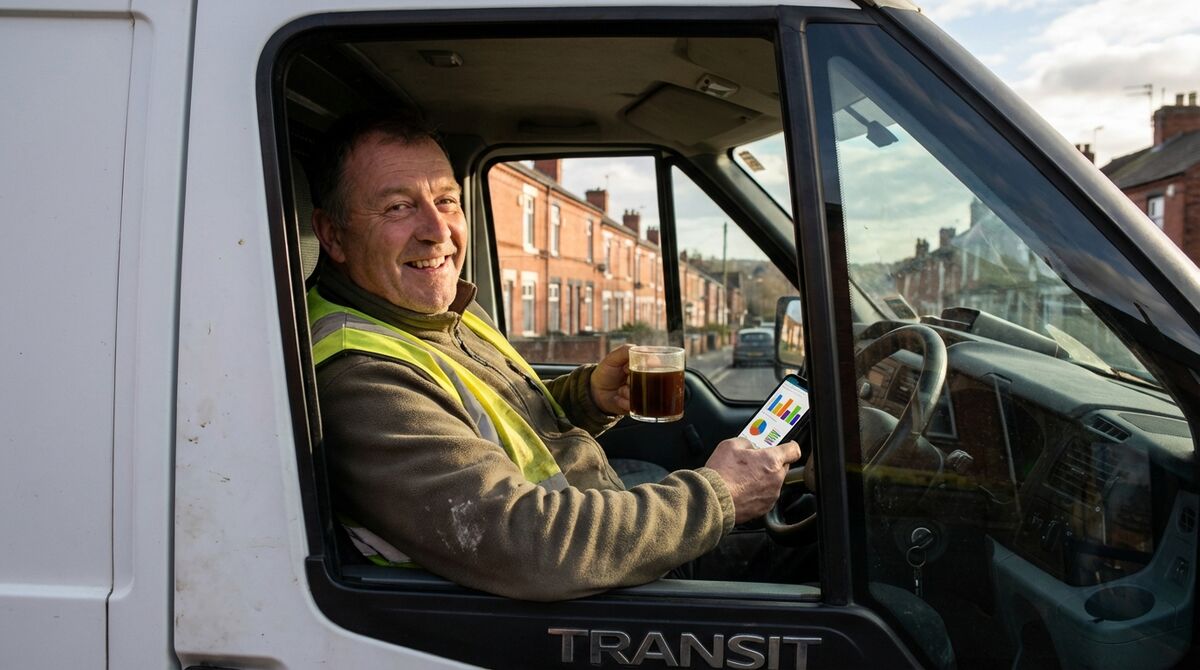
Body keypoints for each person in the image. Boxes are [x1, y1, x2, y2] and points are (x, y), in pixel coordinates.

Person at [308, 110, 802, 601]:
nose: (439, 231)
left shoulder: (437, 308)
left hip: (601, 548)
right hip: (568, 606)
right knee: (806, 562)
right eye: (398, 207)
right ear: (331, 235)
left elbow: (486, 422)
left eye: (446, 201)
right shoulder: (361, 376)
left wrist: (586, 397)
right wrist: (717, 498)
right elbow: (529, 546)